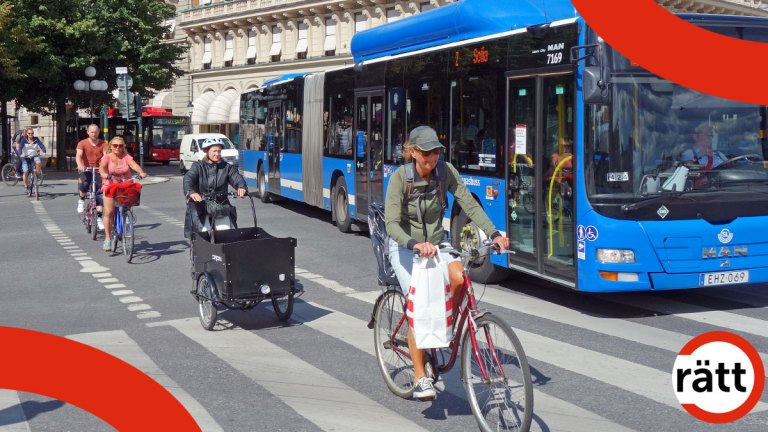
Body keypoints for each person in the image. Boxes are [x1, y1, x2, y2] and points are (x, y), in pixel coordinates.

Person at [384, 125, 509, 401]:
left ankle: (443, 326)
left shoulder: (445, 171)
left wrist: (494, 233)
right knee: (419, 306)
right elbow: (391, 224)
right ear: (413, 152)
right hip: (406, 246)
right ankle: (420, 376)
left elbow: (469, 203)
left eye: (437, 152)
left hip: (437, 244)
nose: (432, 158)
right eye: (427, 153)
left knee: (459, 277)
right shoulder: (399, 179)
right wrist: (414, 244)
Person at [183, 138, 247, 239]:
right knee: (203, 232)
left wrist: (241, 186)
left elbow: (236, 177)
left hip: (220, 205)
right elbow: (188, 178)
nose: (217, 154)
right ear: (206, 151)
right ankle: (201, 253)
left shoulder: (226, 167)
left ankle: (222, 253)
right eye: (214, 151)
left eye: (219, 151)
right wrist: (191, 192)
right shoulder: (198, 166)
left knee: (226, 232)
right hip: (201, 206)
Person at [99, 136, 147, 251]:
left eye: (120, 146)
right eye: (115, 145)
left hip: (125, 184)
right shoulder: (107, 157)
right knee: (109, 212)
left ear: (123, 147)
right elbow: (101, 168)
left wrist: (141, 172)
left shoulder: (126, 157)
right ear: (111, 146)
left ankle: (126, 216)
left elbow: (134, 165)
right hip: (110, 185)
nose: (118, 148)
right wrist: (104, 175)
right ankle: (107, 238)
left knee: (130, 202)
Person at [76, 124, 106, 214]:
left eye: (96, 132)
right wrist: (79, 165)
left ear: (98, 132)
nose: (94, 134)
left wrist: (105, 166)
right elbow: (79, 155)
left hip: (98, 170)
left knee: (99, 193)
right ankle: (81, 200)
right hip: (85, 169)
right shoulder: (82, 143)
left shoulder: (103, 144)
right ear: (88, 132)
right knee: (85, 183)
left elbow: (106, 156)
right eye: (92, 132)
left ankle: (99, 218)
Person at [17, 128, 47, 194]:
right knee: (25, 171)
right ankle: (26, 186)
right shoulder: (23, 140)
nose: (31, 135)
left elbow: (41, 145)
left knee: (39, 162)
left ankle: (36, 175)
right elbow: (19, 149)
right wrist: (21, 154)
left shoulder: (36, 139)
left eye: (32, 133)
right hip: (26, 157)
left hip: (34, 156)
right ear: (27, 134)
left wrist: (44, 151)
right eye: (29, 133)